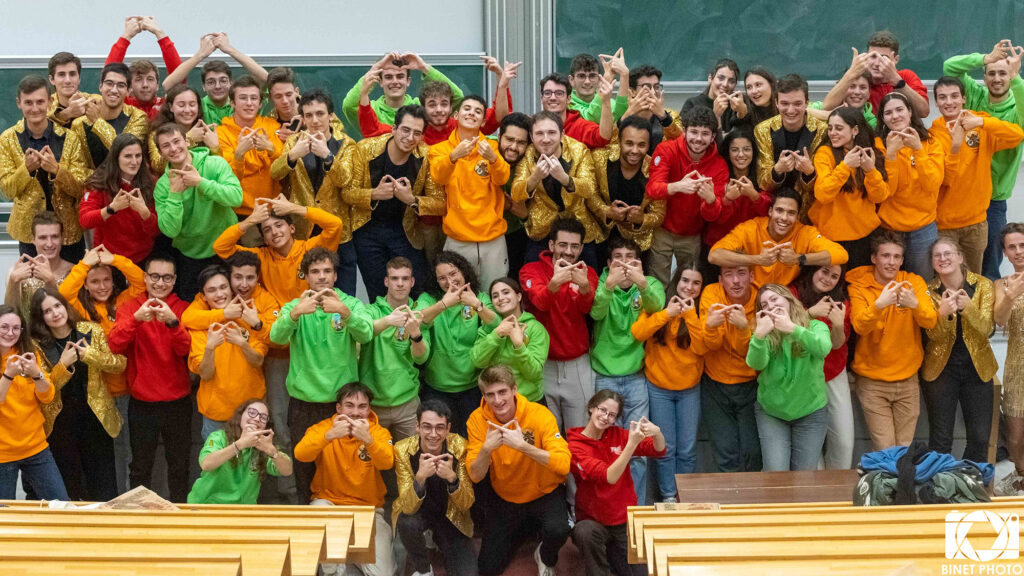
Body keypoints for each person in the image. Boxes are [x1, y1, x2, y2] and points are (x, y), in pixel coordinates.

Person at [269, 247, 373, 504]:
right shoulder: (295, 306)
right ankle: (308, 517)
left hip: (341, 406)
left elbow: (367, 334)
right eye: (315, 271)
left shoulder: (349, 304)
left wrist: (345, 314)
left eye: (327, 271)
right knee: (304, 467)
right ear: (305, 276)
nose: (322, 276)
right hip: (304, 403)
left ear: (336, 276)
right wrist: (294, 315)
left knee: (340, 465)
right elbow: (275, 338)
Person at [467, 365, 571, 576]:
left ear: (514, 390)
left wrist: (524, 446)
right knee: (487, 568)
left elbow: (564, 464)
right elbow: (475, 475)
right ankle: (524, 532)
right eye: (490, 394)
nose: (497, 400)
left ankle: (544, 555)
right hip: (507, 497)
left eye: (502, 392)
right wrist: (486, 449)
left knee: (559, 529)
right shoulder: (477, 420)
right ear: (484, 396)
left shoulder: (539, 414)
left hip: (544, 493)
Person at [58, 244, 145, 493]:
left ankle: (127, 498)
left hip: (127, 390)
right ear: (86, 284)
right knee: (102, 454)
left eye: (106, 279)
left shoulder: (125, 302)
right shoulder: (82, 309)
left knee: (126, 450)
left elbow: (140, 282)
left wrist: (114, 259)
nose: (102, 286)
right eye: (94, 281)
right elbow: (64, 292)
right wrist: (84, 264)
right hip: (96, 395)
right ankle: (110, 499)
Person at [106, 253, 192, 502]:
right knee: (140, 468)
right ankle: (137, 521)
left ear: (174, 280)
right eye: (155, 276)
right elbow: (114, 345)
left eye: (166, 278)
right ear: (145, 277)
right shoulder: (131, 307)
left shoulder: (183, 309)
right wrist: (136, 320)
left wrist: (173, 324)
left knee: (179, 467)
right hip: (142, 403)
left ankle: (180, 520)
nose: (160, 283)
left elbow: (186, 351)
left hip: (178, 402)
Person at [30, 286, 123, 501]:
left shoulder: (91, 330)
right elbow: (44, 388)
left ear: (65, 306)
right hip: (61, 421)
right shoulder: (37, 344)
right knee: (70, 486)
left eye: (57, 306)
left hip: (95, 417)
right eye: (47, 311)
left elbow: (119, 365)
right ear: (41, 317)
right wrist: (63, 365)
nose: (55, 313)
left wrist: (89, 354)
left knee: (103, 484)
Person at [339, 105, 441, 301]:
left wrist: (411, 200)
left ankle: (413, 330)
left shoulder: (427, 155)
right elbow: (347, 193)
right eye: (405, 130)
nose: (410, 137)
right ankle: (382, 330)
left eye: (417, 133)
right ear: (394, 129)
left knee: (416, 289)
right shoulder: (365, 148)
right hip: (367, 230)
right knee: (378, 293)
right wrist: (374, 194)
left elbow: (440, 202)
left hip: (405, 231)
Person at [846, 230, 937, 450]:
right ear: (874, 258)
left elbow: (931, 321)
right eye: (886, 256)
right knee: (885, 450)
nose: (891, 262)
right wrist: (879, 304)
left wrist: (914, 305)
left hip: (907, 380)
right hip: (872, 382)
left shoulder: (912, 282)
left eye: (897, 257)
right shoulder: (859, 285)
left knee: (905, 449)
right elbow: (859, 325)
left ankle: (901, 485)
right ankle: (888, 485)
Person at [590, 236, 664, 503]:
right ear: (608, 263)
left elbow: (657, 308)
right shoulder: (600, 284)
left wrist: (641, 282)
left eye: (630, 258)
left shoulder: (649, 284)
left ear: (640, 263)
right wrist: (607, 288)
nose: (624, 264)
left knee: (639, 448)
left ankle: (636, 508)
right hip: (604, 377)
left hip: (636, 377)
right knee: (608, 447)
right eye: (618, 258)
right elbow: (595, 313)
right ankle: (612, 507)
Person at [294, 382, 395, 576]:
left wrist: (368, 440)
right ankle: (333, 569)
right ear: (338, 408)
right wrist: (329, 436)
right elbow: (300, 454)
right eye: (349, 405)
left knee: (382, 574)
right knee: (317, 510)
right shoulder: (322, 428)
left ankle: (348, 555)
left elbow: (387, 463)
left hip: (369, 511)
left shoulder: (378, 432)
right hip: (329, 505)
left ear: (369, 409)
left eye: (362, 406)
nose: (356, 412)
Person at [944, 40, 1024, 279]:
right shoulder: (975, 95)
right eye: (991, 73)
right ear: (984, 76)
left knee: (989, 266)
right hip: (964, 196)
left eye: (1003, 74)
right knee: (957, 263)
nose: (997, 78)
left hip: (993, 201)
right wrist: (985, 58)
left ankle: (988, 315)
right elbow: (950, 67)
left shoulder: (1016, 108)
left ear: (1010, 78)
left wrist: (1017, 76)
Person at [568, 389, 665, 576]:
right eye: (602, 410)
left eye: (612, 415)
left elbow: (657, 450)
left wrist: (657, 433)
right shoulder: (575, 445)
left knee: (641, 572)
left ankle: (612, 554)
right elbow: (608, 477)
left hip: (622, 521)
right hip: (593, 520)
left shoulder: (618, 435)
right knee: (584, 532)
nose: (605, 417)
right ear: (591, 408)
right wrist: (630, 446)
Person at [632, 265, 706, 500]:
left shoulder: (702, 311)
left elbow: (703, 347)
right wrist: (668, 313)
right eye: (685, 280)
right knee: (666, 447)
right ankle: (668, 497)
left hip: (689, 389)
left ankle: (685, 496)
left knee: (687, 449)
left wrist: (689, 315)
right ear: (676, 281)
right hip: (659, 388)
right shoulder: (657, 303)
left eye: (696, 283)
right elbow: (638, 332)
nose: (689, 287)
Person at [922, 238, 996, 463]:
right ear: (933, 263)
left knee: (980, 438)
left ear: (961, 258)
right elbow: (932, 337)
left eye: (948, 253)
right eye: (937, 256)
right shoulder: (928, 291)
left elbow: (987, 330)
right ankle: (939, 490)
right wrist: (942, 314)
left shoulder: (983, 285)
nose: (943, 259)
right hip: (941, 371)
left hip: (978, 369)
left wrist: (969, 308)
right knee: (941, 438)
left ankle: (972, 486)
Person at [1, 75, 89, 263]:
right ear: (19, 103)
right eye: (28, 102)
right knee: (33, 289)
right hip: (29, 234)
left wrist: (57, 171)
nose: (35, 108)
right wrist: (26, 170)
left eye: (40, 102)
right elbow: (7, 190)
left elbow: (81, 189)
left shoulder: (70, 138)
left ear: (50, 102)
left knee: (72, 290)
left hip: (69, 232)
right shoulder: (7, 140)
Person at [152, 123, 243, 301]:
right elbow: (170, 230)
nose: (173, 148)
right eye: (166, 146)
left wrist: (201, 182)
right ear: (161, 153)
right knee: (192, 307)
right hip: (190, 256)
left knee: (233, 302)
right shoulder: (163, 186)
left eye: (177, 141)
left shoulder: (214, 163)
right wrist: (175, 194)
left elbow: (236, 197)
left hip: (226, 249)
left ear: (187, 141)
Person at [519, 218, 597, 428]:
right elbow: (540, 303)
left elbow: (588, 309)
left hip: (577, 364)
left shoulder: (587, 273)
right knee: (545, 437)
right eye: (563, 245)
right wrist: (555, 282)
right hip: (542, 364)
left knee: (580, 435)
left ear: (581, 248)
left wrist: (584, 288)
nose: (568, 251)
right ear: (552, 245)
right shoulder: (531, 270)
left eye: (574, 246)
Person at [429, 95, 512, 287]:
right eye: (467, 109)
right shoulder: (440, 150)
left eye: (477, 111)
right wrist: (453, 157)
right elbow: (438, 177)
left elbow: (503, 179)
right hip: (458, 237)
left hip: (492, 237)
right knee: (457, 293)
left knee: (495, 292)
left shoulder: (492, 147)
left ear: (483, 121)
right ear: (456, 115)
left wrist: (493, 159)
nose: (471, 113)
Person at [747, 284, 831, 471]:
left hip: (810, 411)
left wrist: (793, 328)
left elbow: (823, 348)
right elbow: (755, 364)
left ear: (789, 299)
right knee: (776, 473)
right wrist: (759, 335)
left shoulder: (816, 325)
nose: (770, 305)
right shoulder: (764, 334)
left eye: (775, 299)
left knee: (804, 476)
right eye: (764, 304)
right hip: (772, 412)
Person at [645, 105, 728, 286]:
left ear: (713, 136)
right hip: (663, 230)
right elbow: (652, 189)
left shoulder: (719, 166)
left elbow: (712, 215)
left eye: (705, 134)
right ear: (684, 131)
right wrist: (677, 186)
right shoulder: (667, 150)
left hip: (692, 235)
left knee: (688, 285)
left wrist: (710, 199)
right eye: (694, 132)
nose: (699, 139)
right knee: (658, 284)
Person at [417, 252, 498, 435]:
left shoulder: (480, 297)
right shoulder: (429, 299)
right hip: (437, 387)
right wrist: (443, 305)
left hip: (472, 387)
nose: (449, 281)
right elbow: (417, 321)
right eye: (442, 278)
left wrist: (476, 304)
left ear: (463, 272)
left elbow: (498, 326)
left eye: (453, 274)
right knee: (440, 441)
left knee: (473, 438)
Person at [393, 400, 477, 576]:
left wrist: (452, 479)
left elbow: (466, 504)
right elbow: (407, 507)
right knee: (406, 522)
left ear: (448, 429)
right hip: (419, 513)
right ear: (417, 427)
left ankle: (439, 538)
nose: (433, 434)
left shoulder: (460, 446)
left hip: (451, 516)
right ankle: (423, 569)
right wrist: (420, 478)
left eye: (439, 427)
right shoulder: (402, 450)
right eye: (427, 427)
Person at [212, 194, 343, 306]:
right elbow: (221, 247)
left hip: (312, 315)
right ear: (265, 240)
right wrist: (250, 220)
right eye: (267, 230)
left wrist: (294, 208)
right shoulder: (260, 257)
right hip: (279, 322)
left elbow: (335, 225)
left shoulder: (311, 249)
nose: (274, 232)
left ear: (292, 228)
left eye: (279, 225)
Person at [510, 111, 601, 266]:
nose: (546, 139)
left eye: (551, 133)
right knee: (535, 280)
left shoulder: (579, 150)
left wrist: (565, 179)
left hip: (578, 228)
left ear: (562, 134)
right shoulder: (528, 154)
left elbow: (589, 189)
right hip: (542, 229)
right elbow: (516, 194)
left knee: (588, 281)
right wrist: (535, 177)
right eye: (539, 133)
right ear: (531, 137)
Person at [187, 266, 267, 440]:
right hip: (216, 413)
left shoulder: (248, 317)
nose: (219, 294)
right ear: (203, 297)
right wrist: (210, 347)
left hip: (251, 410)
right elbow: (206, 374)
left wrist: (242, 343)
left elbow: (258, 361)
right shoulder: (199, 327)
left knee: (254, 465)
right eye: (212, 290)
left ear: (231, 289)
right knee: (216, 465)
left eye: (223, 287)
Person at [358, 57, 516, 145]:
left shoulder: (465, 126)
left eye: (444, 104)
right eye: (432, 104)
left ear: (452, 109)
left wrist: (501, 80)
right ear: (423, 108)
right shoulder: (415, 131)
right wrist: (364, 93)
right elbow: (372, 131)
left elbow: (500, 117)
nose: (439, 109)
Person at [709, 189, 848, 287]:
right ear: (770, 211)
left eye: (791, 213)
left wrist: (799, 259)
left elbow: (841, 254)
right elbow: (714, 255)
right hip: (749, 291)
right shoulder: (751, 228)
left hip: (782, 297)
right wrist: (757, 260)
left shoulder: (805, 233)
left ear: (798, 217)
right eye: (779, 210)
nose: (784, 218)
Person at [0, 305, 67, 501]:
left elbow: (47, 397)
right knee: (4, 519)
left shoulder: (27, 352)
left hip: (36, 447)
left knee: (60, 505)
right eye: (4, 327)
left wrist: (37, 374)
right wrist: (8, 376)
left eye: (16, 328)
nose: (10, 333)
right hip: (2, 454)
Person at [875, 91, 944, 279]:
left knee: (923, 282)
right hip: (888, 229)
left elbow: (932, 185)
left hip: (923, 228)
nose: (895, 116)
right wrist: (890, 155)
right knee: (888, 282)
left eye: (900, 110)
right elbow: (888, 191)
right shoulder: (878, 146)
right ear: (882, 118)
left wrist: (918, 150)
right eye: (888, 113)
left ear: (910, 112)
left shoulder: (931, 143)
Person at [790, 264, 853, 469]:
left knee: (843, 442)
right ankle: (815, 497)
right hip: (801, 373)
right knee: (810, 447)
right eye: (824, 271)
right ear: (812, 270)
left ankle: (838, 494)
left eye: (834, 276)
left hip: (832, 371)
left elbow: (837, 344)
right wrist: (811, 313)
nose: (828, 279)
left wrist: (837, 324)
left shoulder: (842, 301)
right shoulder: (792, 293)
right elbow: (783, 334)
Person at [699, 265, 761, 472]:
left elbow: (754, 357)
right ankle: (729, 502)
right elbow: (712, 345)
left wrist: (744, 328)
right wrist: (710, 326)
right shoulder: (711, 293)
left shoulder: (762, 298)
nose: (735, 280)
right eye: (728, 274)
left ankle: (752, 502)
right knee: (725, 452)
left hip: (752, 384)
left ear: (752, 276)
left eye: (741, 273)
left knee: (754, 451)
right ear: (720, 279)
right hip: (715, 384)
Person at [272, 89, 355, 244]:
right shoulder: (293, 142)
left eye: (320, 114)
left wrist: (328, 156)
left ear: (330, 116)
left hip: (337, 227)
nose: (315, 120)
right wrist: (293, 155)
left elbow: (345, 181)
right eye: (309, 115)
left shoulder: (347, 143)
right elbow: (275, 173)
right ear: (303, 118)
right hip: (303, 228)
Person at [812, 107, 890, 268]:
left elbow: (879, 197)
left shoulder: (874, 149)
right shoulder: (824, 153)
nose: (832, 133)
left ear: (855, 130)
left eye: (839, 128)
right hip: (830, 236)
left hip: (865, 236)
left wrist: (870, 170)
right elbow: (823, 194)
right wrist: (845, 166)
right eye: (830, 128)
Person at [361, 257, 429, 441]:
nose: (400, 284)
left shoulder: (418, 313)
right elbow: (362, 333)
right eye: (394, 278)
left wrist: (416, 334)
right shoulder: (370, 311)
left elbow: (421, 358)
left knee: (411, 458)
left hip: (407, 402)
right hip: (373, 403)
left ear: (412, 282)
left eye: (405, 279)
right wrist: (388, 321)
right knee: (373, 460)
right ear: (386, 281)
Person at [187, 399, 293, 504]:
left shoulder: (264, 445)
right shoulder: (219, 437)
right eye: (252, 412)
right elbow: (206, 464)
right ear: (240, 416)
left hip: (243, 510)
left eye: (263, 417)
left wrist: (272, 451)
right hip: (208, 505)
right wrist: (240, 445)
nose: (257, 419)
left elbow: (287, 470)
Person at [80, 133, 160, 264]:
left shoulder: (151, 182)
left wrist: (145, 213)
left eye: (138, 156)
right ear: (116, 157)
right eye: (128, 156)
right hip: (108, 258)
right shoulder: (99, 182)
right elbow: (85, 220)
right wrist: (111, 208)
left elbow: (156, 231)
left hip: (143, 257)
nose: (134, 162)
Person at [754, 74, 828, 215]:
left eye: (797, 104)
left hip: (811, 209)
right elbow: (763, 182)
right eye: (785, 104)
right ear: (776, 103)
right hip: (775, 208)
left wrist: (809, 173)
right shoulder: (763, 130)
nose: (791, 110)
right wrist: (777, 170)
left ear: (807, 103)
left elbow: (825, 185)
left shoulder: (822, 131)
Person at [589, 115, 665, 253]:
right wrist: (606, 211)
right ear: (618, 142)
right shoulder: (599, 158)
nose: (635, 150)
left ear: (648, 145)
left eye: (641, 145)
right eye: (629, 143)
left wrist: (642, 219)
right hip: (601, 234)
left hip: (637, 243)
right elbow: (590, 194)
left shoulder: (655, 169)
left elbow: (658, 214)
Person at [342, 51, 464, 137]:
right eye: (389, 77)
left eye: (400, 76)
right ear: (380, 82)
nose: (395, 82)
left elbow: (457, 97)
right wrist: (375, 68)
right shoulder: (370, 109)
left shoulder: (421, 108)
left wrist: (424, 67)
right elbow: (348, 106)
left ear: (408, 81)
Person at [470, 278, 550, 403]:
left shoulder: (535, 328)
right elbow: (477, 361)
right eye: (495, 296)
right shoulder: (489, 327)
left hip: (528, 402)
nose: (501, 298)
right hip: (496, 403)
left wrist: (519, 346)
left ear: (518, 296)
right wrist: (497, 334)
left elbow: (534, 373)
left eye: (506, 292)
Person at [162, 33, 269, 126]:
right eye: (211, 82)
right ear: (203, 86)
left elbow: (267, 79)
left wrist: (230, 50)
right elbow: (168, 85)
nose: (217, 86)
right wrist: (200, 55)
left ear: (231, 83)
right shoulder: (196, 106)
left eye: (223, 81)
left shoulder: (244, 102)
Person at [217, 76, 284, 217]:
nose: (249, 103)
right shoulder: (221, 133)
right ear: (232, 103)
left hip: (272, 210)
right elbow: (227, 178)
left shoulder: (272, 126)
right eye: (243, 98)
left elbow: (284, 169)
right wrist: (239, 154)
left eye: (254, 98)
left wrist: (270, 148)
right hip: (237, 211)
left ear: (260, 104)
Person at [703, 128, 770, 268]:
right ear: (727, 152)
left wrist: (754, 195)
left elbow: (769, 213)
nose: (741, 155)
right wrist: (727, 200)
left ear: (754, 151)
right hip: (718, 248)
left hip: (751, 250)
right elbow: (712, 217)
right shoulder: (719, 176)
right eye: (734, 150)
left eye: (746, 149)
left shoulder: (762, 176)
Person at [824, 31, 930, 117]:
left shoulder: (906, 76)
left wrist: (897, 82)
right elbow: (827, 107)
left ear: (896, 59)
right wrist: (851, 73)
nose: (876, 63)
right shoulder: (859, 80)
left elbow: (923, 112)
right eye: (873, 57)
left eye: (883, 57)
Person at [71, 62, 149, 169]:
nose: (114, 90)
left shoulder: (138, 118)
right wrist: (99, 182)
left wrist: (98, 122)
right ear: (100, 87)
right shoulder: (79, 124)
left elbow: (127, 152)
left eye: (121, 85)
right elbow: (78, 169)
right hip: (93, 183)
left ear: (128, 91)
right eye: (109, 83)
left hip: (129, 183)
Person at [104, 16, 181, 120]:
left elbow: (179, 75)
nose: (145, 85)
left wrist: (159, 33)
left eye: (150, 79)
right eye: (139, 79)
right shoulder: (123, 105)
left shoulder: (167, 106)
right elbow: (110, 73)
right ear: (129, 87)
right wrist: (127, 36)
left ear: (157, 85)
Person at [994, 222, 1024, 494]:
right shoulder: (1000, 284)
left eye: (1022, 245)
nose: (1018, 251)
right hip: (1017, 366)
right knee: (1014, 436)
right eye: (1012, 247)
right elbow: (999, 320)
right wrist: (1010, 296)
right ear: (1004, 252)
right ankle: (1021, 473)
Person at [6, 213, 75, 316]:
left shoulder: (75, 271)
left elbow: (74, 318)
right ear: (33, 240)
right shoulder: (17, 272)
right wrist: (13, 281)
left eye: (55, 237)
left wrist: (50, 281)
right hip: (29, 331)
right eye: (43, 238)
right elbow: (9, 315)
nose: (49, 244)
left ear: (62, 238)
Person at [148, 84, 218, 174]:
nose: (187, 110)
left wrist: (215, 149)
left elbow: (218, 168)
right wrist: (189, 139)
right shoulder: (158, 133)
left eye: (192, 105)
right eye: (181, 105)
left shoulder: (206, 132)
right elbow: (157, 166)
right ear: (171, 107)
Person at [538, 73, 613, 149]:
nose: (553, 98)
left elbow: (603, 139)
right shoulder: (534, 125)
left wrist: (606, 101)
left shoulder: (580, 126)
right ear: (541, 98)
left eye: (559, 93)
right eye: (547, 93)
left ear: (568, 99)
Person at [498, 113, 533, 279]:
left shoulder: (531, 165)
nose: (513, 147)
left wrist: (523, 214)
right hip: (482, 233)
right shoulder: (485, 156)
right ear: (499, 137)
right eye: (509, 139)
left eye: (521, 143)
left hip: (518, 233)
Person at [620, 65, 682, 151]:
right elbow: (612, 144)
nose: (653, 92)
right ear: (633, 91)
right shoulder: (623, 115)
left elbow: (682, 144)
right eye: (646, 87)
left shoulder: (671, 116)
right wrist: (629, 114)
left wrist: (664, 118)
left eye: (656, 87)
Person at [681, 58, 747, 133]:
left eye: (731, 81)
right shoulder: (692, 104)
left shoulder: (736, 105)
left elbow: (740, 136)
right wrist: (716, 115)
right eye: (721, 78)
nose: (725, 84)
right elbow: (686, 135)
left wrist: (742, 113)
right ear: (710, 79)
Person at [567, 52, 629, 124]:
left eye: (592, 76)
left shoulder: (609, 103)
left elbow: (621, 120)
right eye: (581, 76)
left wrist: (625, 75)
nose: (587, 82)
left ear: (599, 79)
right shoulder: (566, 103)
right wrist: (607, 80)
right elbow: (591, 119)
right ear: (571, 80)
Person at [808, 69, 877, 129]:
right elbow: (801, 110)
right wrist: (828, 115)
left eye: (863, 87)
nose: (857, 92)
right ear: (842, 89)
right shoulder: (823, 107)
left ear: (869, 94)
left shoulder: (872, 122)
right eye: (852, 86)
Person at [46, 52, 92, 128]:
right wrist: (68, 113)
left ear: (79, 78)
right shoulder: (43, 106)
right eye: (61, 74)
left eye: (72, 74)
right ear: (52, 79)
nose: (67, 80)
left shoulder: (93, 101)